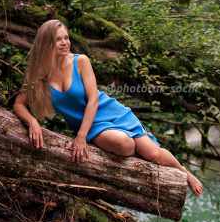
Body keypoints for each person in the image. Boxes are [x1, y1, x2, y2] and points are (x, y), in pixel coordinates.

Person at [13, 19, 203, 196]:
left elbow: (94, 99)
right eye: (58, 39)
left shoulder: (80, 61)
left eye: (66, 38)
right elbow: (19, 104)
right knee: (125, 145)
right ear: (46, 44)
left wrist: (80, 137)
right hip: (92, 126)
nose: (65, 43)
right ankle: (129, 145)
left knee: (152, 152)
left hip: (110, 112)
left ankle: (185, 172)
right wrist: (33, 122)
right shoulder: (39, 74)